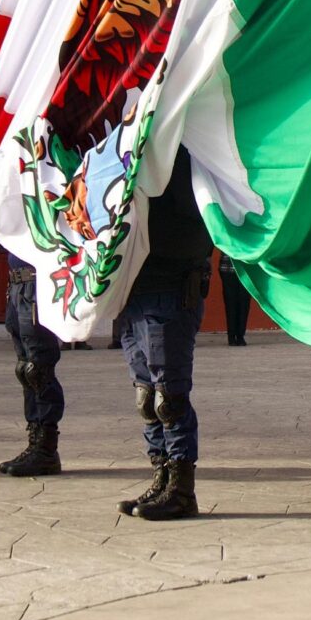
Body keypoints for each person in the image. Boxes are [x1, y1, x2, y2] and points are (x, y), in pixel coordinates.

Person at [113, 147, 213, 522]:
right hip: (135, 288)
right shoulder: (133, 149)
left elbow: (195, 221)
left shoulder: (188, 153)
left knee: (169, 397)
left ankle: (182, 490)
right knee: (146, 396)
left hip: (171, 285)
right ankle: (161, 477)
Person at [0, 256, 66, 477]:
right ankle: (35, 441)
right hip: (18, 283)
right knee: (25, 368)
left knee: (39, 369)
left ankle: (46, 448)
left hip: (37, 284)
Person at [217, 252, 253, 347]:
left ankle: (236, 336)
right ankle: (236, 336)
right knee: (237, 303)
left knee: (238, 303)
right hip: (237, 268)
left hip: (233, 268)